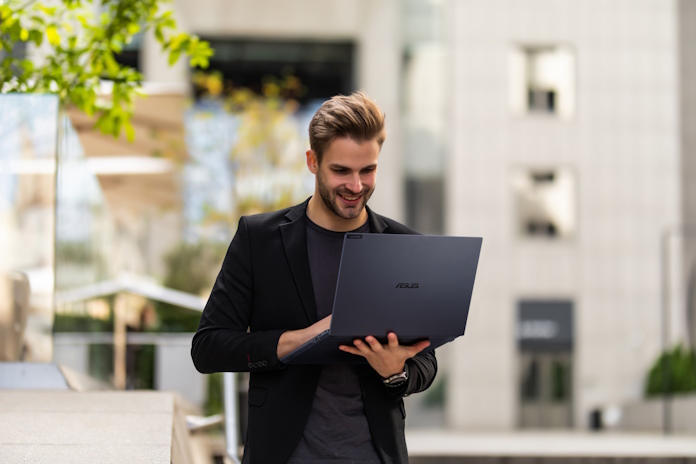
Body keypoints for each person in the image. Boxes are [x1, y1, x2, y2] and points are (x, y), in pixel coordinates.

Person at [191, 91, 437, 464]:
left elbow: (426, 361)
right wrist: (300, 341)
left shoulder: (403, 246)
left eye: (367, 170)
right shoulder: (259, 240)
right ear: (312, 161)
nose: (356, 186)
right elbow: (208, 347)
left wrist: (396, 372)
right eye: (341, 171)